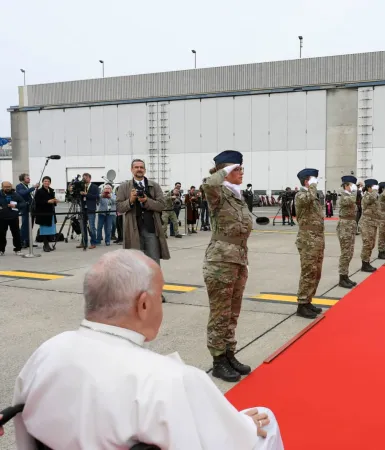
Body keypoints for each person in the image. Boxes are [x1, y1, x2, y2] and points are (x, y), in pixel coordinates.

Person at [12, 249, 284, 449]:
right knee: (265, 421)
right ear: (143, 304)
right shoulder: (172, 379)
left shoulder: (47, 352)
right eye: (160, 296)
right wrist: (243, 426)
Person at [201, 150, 254, 382]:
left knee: (233, 312)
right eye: (238, 169)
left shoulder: (236, 195)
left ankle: (230, 353)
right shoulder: (218, 193)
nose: (242, 172)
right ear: (228, 171)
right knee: (220, 313)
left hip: (239, 258)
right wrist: (224, 170)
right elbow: (208, 184)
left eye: (241, 168)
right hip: (220, 260)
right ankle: (218, 359)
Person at [116, 159, 170, 303]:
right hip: (133, 230)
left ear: (144, 170)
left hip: (151, 229)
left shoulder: (154, 186)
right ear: (131, 169)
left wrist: (146, 201)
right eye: (136, 167)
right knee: (134, 264)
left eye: (141, 167)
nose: (139, 169)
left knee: (153, 262)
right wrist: (131, 200)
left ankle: (156, 293)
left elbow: (162, 205)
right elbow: (120, 208)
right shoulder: (124, 187)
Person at [294, 168, 326, 319]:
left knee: (316, 271)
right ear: (307, 181)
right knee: (308, 271)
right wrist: (312, 187)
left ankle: (308, 301)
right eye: (313, 179)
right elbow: (308, 199)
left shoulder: (312, 195)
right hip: (307, 238)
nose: (316, 182)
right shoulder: (301, 195)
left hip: (317, 237)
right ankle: (301, 304)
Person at [337, 175, 358, 288]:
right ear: (346, 185)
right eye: (351, 185)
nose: (353, 188)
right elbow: (351, 201)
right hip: (345, 226)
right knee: (345, 253)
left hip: (351, 225)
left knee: (350, 252)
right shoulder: (343, 195)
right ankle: (342, 278)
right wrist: (354, 191)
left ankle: (345, 276)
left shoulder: (349, 195)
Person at [75, 173, 101, 249]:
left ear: (90, 178)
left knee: (92, 226)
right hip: (83, 208)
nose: (84, 179)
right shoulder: (81, 186)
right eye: (83, 178)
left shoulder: (95, 187)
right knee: (83, 226)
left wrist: (87, 194)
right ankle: (83, 242)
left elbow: (96, 197)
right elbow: (77, 195)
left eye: (86, 178)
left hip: (91, 209)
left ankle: (93, 243)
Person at [34, 176, 59, 253]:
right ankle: (45, 244)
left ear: (50, 182)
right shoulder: (39, 191)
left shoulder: (51, 190)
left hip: (50, 212)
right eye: (45, 181)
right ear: (42, 182)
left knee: (50, 229)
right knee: (44, 229)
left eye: (48, 181)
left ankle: (48, 243)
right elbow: (37, 202)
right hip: (43, 213)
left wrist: (55, 201)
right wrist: (47, 201)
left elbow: (53, 200)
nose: (46, 182)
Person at [1, 181, 26, 256]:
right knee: (1, 234)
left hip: (13, 217)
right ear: (2, 187)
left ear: (11, 187)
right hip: (2, 218)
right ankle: (1, 250)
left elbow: (23, 203)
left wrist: (16, 206)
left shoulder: (15, 194)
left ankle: (18, 249)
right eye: (5, 187)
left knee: (16, 234)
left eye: (9, 186)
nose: (7, 188)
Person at [359, 179, 379, 272]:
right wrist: (375, 191)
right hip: (366, 223)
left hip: (373, 222)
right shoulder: (366, 196)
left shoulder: (374, 196)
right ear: (368, 188)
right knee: (367, 243)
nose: (375, 189)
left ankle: (367, 261)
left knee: (372, 244)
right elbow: (371, 199)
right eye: (373, 187)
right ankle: (365, 263)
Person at [15, 174, 39, 248]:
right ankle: (22, 242)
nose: (29, 179)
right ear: (22, 179)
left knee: (30, 225)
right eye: (27, 178)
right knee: (25, 225)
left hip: (30, 208)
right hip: (25, 208)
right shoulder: (19, 186)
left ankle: (28, 242)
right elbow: (23, 193)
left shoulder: (26, 186)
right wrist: (33, 187)